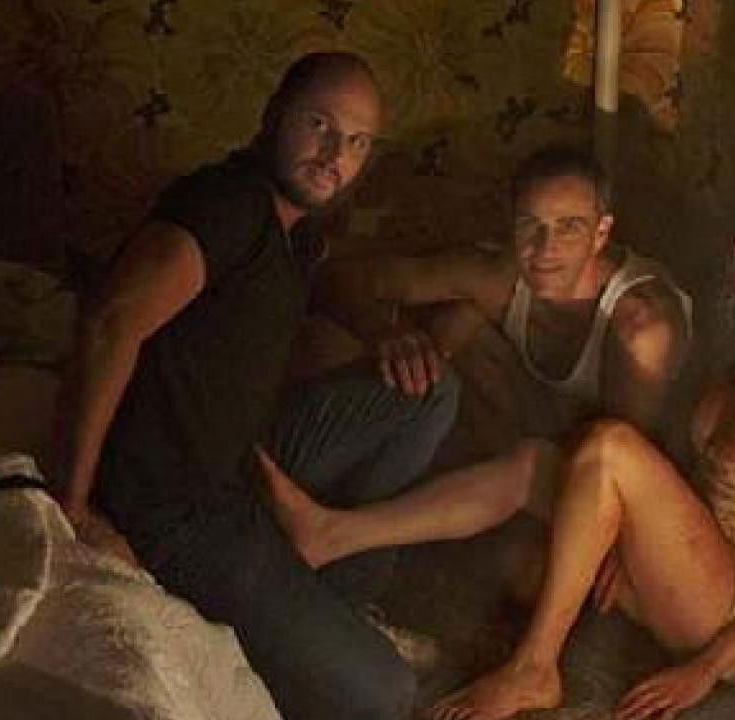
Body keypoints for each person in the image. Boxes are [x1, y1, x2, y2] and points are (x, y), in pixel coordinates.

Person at [51, 52, 460, 720]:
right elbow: (110, 322)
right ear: (274, 116)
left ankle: (333, 601)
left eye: (357, 142)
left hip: (244, 459)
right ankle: (319, 630)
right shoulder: (227, 204)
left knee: (428, 393)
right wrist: (73, 504)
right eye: (319, 125)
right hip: (176, 509)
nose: (335, 155)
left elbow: (322, 286)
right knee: (386, 693)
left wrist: (379, 331)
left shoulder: (295, 228)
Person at [405, 189, 735, 719]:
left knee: (611, 447)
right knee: (530, 493)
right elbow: (691, 490)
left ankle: (533, 670)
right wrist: (631, 542)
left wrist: (705, 669)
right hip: (691, 571)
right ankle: (343, 532)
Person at [270, 145, 692, 563]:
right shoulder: (499, 275)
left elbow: (625, 476)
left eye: (568, 227)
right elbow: (341, 280)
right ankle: (332, 496)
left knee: (522, 550)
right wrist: (385, 332)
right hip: (538, 427)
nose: (545, 247)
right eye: (530, 225)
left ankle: (342, 532)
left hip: (633, 477)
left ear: (601, 233)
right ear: (511, 223)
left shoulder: (642, 328)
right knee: (448, 326)